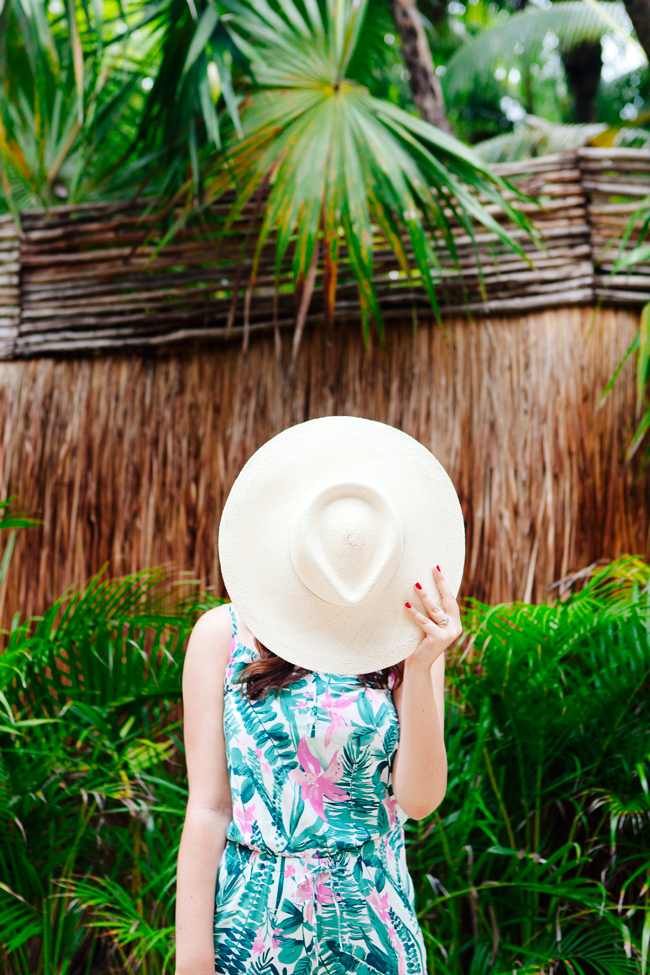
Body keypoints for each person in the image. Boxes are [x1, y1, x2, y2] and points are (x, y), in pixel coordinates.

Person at [174, 417, 465, 975]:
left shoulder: (408, 640)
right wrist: (192, 958)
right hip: (252, 926)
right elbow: (210, 807)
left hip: (375, 926)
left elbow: (421, 800)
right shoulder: (222, 635)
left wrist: (425, 664)